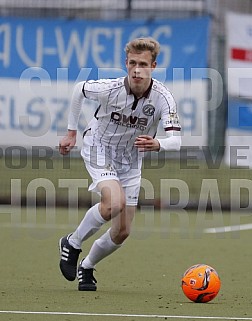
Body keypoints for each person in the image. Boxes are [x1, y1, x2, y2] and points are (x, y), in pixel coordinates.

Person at [58, 37, 181, 291]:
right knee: (114, 202)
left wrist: (158, 144)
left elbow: (176, 141)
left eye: (144, 64)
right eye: (133, 63)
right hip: (99, 148)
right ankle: (73, 242)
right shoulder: (110, 88)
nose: (137, 70)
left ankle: (87, 266)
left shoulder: (163, 98)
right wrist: (71, 132)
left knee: (123, 230)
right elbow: (79, 89)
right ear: (126, 63)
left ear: (153, 66)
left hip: (131, 160)